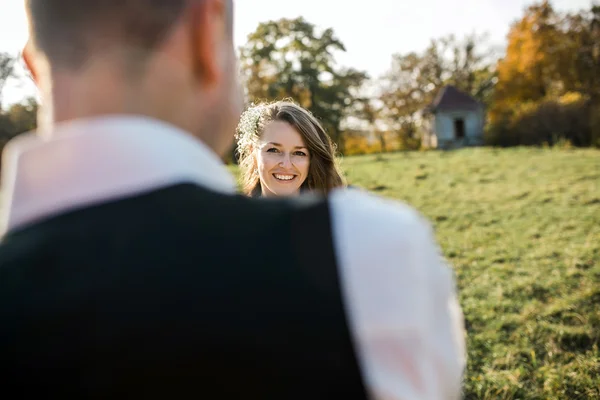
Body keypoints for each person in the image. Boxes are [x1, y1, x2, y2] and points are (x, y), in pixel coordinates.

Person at [0, 1, 466, 399]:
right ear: (208, 31)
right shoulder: (369, 253)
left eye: (299, 153)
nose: (287, 163)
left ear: (33, 65)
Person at [235, 100, 345, 197]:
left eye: (299, 153)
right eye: (273, 150)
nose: (286, 165)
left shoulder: (336, 217)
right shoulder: (232, 218)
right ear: (252, 152)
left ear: (311, 160)